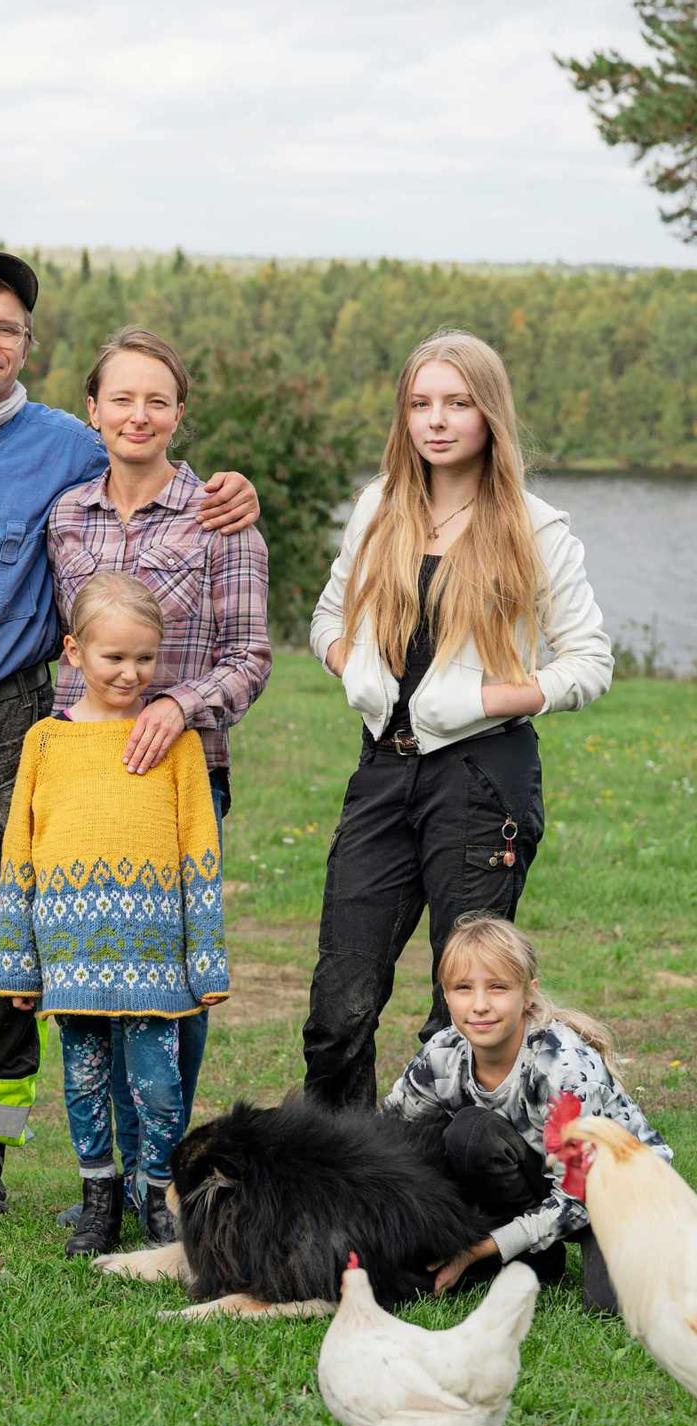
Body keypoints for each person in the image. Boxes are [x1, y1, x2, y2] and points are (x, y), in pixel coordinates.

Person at [0, 251, 259, 1216]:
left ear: (29, 345)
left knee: (1, 948)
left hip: (5, 723)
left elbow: (147, 460)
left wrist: (232, 492)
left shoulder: (65, 445)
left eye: (8, 329)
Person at [304, 330, 612, 1109]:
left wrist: (481, 699)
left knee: (459, 1011)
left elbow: (588, 661)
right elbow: (326, 617)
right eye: (419, 403)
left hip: (479, 783)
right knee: (338, 1006)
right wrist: (359, 668)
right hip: (383, 768)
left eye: (456, 403)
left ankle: (442, 1186)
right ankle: (343, 1182)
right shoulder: (378, 505)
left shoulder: (533, 528)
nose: (435, 421)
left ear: (489, 415)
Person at [44, 328, 271, 1224]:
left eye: (157, 400)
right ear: (92, 410)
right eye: (120, 398)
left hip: (179, 774)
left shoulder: (218, 514)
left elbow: (249, 655)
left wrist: (179, 706)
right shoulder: (65, 516)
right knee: (89, 973)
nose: (138, 415)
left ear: (179, 414)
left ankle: (161, 1175)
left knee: (169, 979)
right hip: (82, 780)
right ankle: (99, 1178)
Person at [0, 573, 228, 1253]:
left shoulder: (175, 743)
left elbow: (198, 854)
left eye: (144, 659)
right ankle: (97, 1197)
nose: (129, 673)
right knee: (84, 1079)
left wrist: (205, 955)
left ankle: (158, 1196)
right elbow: (19, 851)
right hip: (70, 954)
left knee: (158, 1084)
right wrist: (18, 962)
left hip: (154, 956)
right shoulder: (44, 741)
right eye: (112, 657)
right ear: (73, 652)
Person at [386, 915, 660, 1314]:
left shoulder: (561, 1064)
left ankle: (513, 1246)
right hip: (540, 1181)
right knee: (469, 1134)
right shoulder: (442, 1055)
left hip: (611, 1190)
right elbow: (390, 1133)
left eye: (498, 987)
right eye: (463, 988)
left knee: (612, 1305)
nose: (479, 1005)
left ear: (527, 993)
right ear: (445, 995)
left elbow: (580, 1194)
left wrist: (475, 1249)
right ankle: (536, 1257)